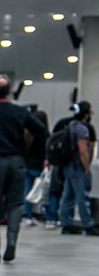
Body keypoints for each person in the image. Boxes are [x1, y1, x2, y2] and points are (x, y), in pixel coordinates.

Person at [0, 75, 48, 259]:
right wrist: (28, 149)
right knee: (16, 204)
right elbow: (40, 130)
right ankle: (12, 243)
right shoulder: (19, 112)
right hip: (17, 161)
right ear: (10, 92)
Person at [59, 101, 98, 235]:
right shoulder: (82, 129)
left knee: (68, 195)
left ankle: (66, 223)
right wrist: (86, 167)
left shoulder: (70, 125)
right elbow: (83, 150)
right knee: (82, 195)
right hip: (78, 166)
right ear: (86, 115)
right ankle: (88, 224)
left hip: (68, 165)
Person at [23, 109, 50, 224]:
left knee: (27, 191)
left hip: (26, 164)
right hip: (38, 165)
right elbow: (44, 150)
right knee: (43, 190)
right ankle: (48, 216)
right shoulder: (44, 133)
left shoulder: (26, 133)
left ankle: (29, 216)